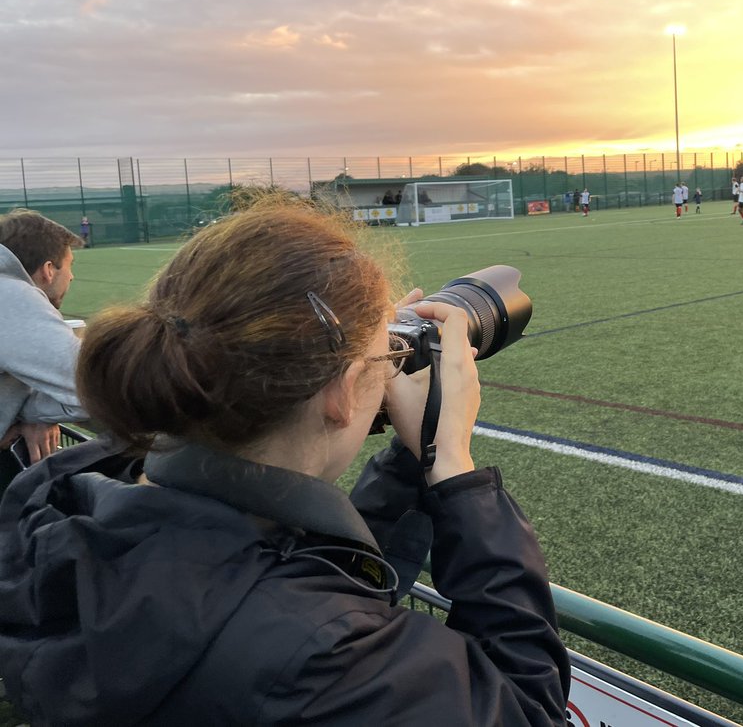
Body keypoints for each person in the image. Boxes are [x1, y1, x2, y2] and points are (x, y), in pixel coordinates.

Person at [0, 201, 569, 725]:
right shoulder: (319, 654)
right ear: (342, 393)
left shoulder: (56, 500)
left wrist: (409, 454)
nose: (392, 368)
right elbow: (525, 707)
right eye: (388, 353)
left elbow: (294, 568)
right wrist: (456, 472)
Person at [0, 210, 88, 484]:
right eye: (69, 265)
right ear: (49, 270)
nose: (71, 276)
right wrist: (31, 414)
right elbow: (96, 388)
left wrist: (23, 413)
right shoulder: (12, 296)